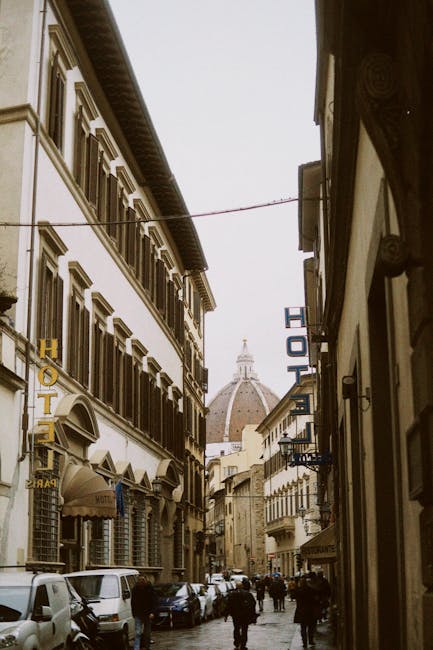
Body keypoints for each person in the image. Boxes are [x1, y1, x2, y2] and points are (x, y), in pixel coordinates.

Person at [224, 579, 257, 650]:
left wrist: (226, 614)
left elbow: (228, 605)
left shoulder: (232, 594)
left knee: (236, 628)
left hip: (235, 615)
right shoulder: (248, 594)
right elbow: (253, 604)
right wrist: (253, 614)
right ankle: (243, 644)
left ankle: (237, 642)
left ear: (236, 586)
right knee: (244, 629)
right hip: (245, 615)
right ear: (242, 586)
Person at [131, 576, 157, 650]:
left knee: (147, 633)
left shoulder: (150, 588)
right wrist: (134, 613)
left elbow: (154, 601)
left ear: (146, 580)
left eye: (142, 579)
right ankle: (136, 648)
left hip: (148, 614)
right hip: (138, 614)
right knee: (138, 632)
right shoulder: (135, 589)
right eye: (139, 580)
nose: (141, 581)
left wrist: (152, 612)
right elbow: (133, 602)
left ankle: (147, 647)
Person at [293, 576, 319, 648]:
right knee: (310, 627)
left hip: (301, 611)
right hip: (310, 611)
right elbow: (316, 598)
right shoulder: (311, 590)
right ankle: (310, 640)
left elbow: (292, 596)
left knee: (303, 628)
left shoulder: (298, 590)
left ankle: (304, 642)